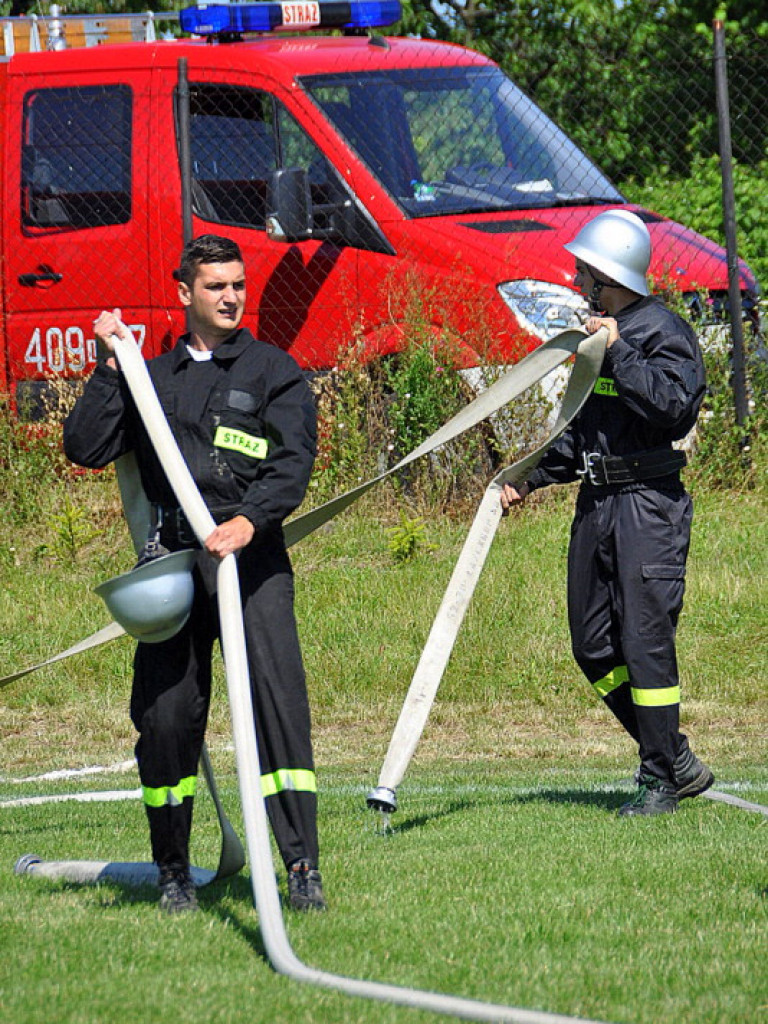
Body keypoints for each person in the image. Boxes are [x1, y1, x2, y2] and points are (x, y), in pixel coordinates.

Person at [64, 234, 325, 910]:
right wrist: (109, 366)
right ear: (185, 294)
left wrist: (251, 519)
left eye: (237, 284)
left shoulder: (275, 371)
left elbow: (293, 461)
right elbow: (85, 446)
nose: (231, 296)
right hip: (174, 569)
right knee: (167, 719)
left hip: (251, 558)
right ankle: (173, 871)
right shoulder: (148, 377)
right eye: (215, 286)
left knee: (276, 708)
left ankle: (301, 870)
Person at [501, 209, 714, 816]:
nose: (575, 281)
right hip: (596, 505)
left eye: (583, 272)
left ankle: (659, 783)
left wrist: (618, 354)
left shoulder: (660, 333)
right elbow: (579, 430)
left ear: (607, 276)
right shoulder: (605, 336)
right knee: (593, 645)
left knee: (646, 645)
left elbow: (673, 408)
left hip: (648, 509)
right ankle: (672, 754)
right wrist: (528, 477)